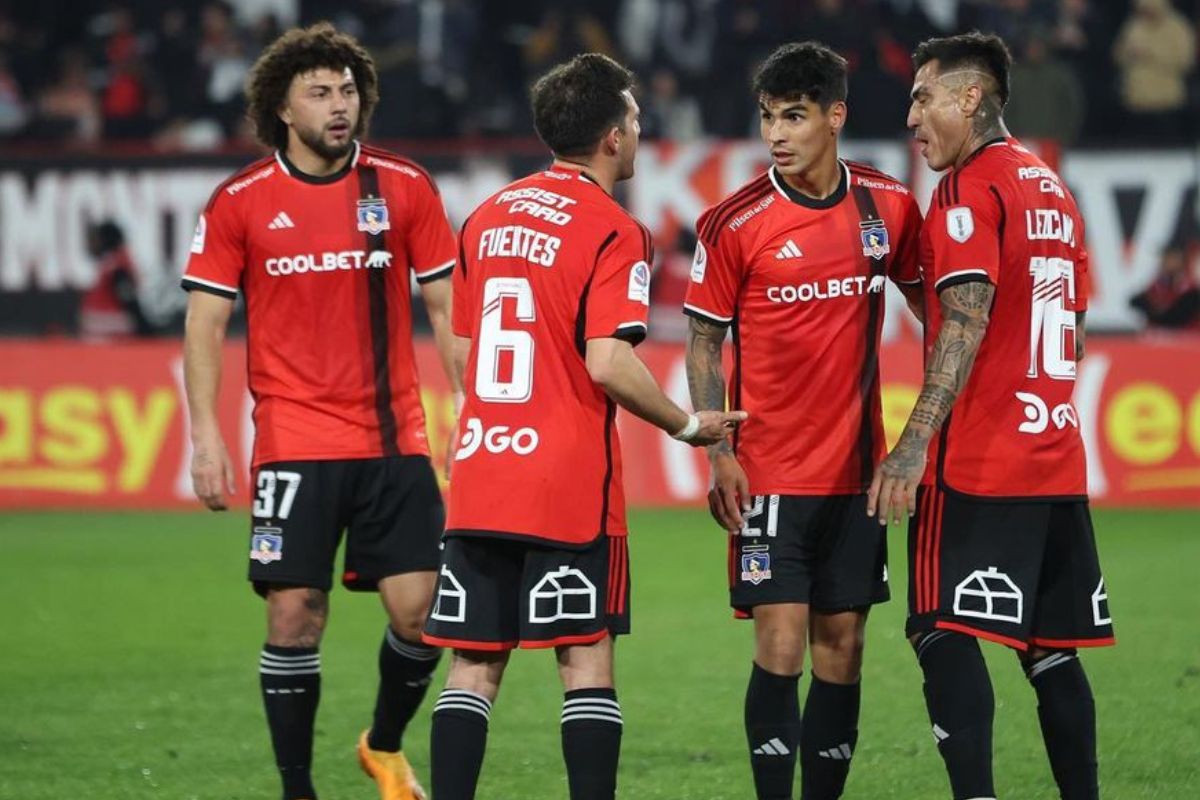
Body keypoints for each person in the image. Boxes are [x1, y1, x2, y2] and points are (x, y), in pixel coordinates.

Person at [420, 53, 746, 800]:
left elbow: (466, 349)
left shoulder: (488, 216)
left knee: (473, 663)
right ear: (609, 137)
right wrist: (685, 425)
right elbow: (607, 362)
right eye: (632, 121)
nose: (638, 133)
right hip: (563, 483)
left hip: (482, 471)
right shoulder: (614, 230)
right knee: (584, 659)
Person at [181, 23, 460, 800]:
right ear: (281, 109)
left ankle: (384, 743)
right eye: (320, 94)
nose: (341, 107)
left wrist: (471, 402)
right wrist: (206, 437)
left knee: (421, 614)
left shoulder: (403, 185)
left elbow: (445, 306)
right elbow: (204, 322)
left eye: (348, 92)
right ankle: (297, 787)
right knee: (294, 613)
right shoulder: (240, 201)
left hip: (393, 435)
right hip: (295, 441)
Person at [869, 31, 1115, 800]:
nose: (912, 117)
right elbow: (1070, 325)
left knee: (938, 626)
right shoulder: (1051, 187)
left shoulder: (970, 188)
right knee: (1049, 651)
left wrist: (911, 450)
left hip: (981, 459)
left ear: (968, 98)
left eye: (922, 97)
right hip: (1054, 453)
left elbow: (965, 322)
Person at [684, 42, 923, 800]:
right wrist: (720, 450)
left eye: (794, 116)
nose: (777, 134)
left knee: (843, 651)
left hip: (856, 475)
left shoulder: (888, 205)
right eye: (767, 118)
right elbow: (702, 342)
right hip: (770, 475)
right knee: (780, 645)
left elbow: (938, 311)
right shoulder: (735, 221)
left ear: (835, 116)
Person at [1129, 241, 1200, 329]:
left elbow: (1177, 318)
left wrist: (1152, 311)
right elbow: (1135, 301)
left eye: (1168, 257)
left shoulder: (1192, 289)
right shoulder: (1158, 284)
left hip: (1186, 339)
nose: (1163, 261)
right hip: (1157, 338)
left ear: (1180, 259)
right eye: (1163, 257)